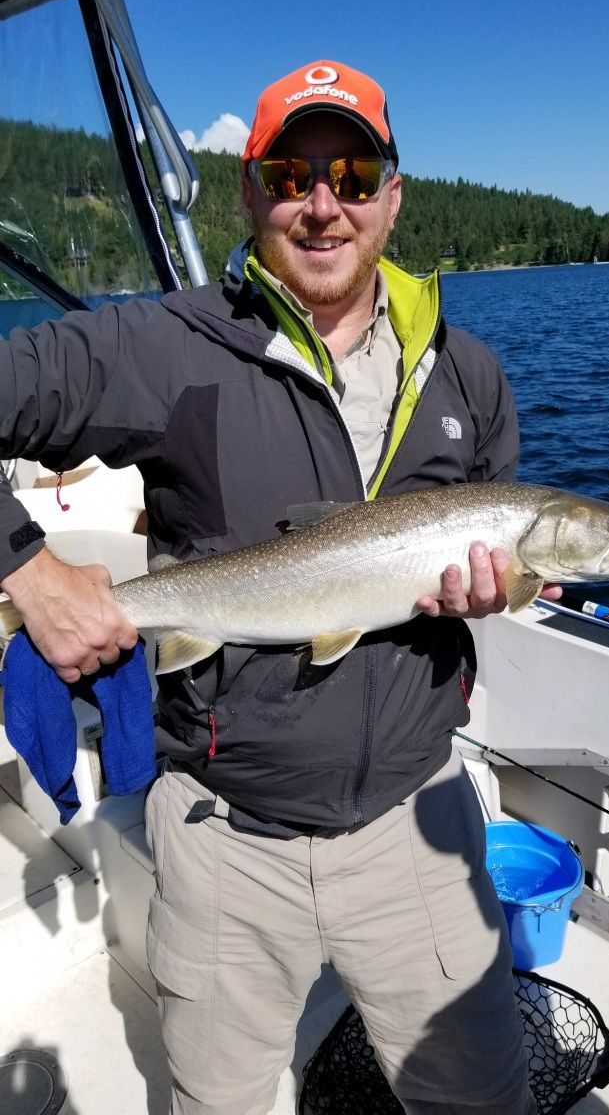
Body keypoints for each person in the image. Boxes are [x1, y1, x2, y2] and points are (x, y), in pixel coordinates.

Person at [0, 59, 561, 1115]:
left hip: (418, 831)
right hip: (225, 842)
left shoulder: (469, 373)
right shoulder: (162, 347)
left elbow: (488, 597)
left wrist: (498, 594)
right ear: (251, 190)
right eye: (291, 173)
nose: (322, 203)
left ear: (392, 195)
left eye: (352, 174)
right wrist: (26, 568)